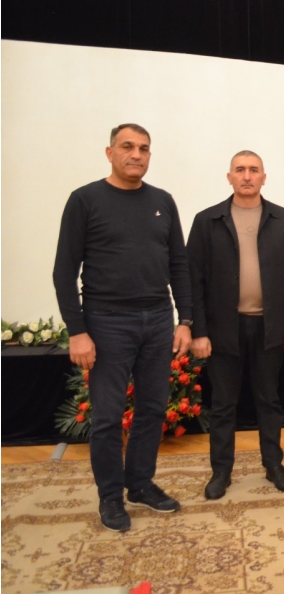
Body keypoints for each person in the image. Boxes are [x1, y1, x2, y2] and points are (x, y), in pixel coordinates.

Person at [52, 124, 191, 532]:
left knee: (152, 409)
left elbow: (178, 265)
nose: (136, 154)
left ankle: (140, 485)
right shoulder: (85, 200)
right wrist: (77, 331)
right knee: (109, 417)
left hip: (158, 320)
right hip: (107, 322)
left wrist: (185, 320)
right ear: (109, 152)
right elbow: (64, 272)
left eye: (144, 148)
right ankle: (110, 497)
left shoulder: (162, 201)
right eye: (127, 146)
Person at [187, 151, 284, 499]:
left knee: (269, 401)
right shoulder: (207, 220)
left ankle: (274, 465)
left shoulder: (283, 219)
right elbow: (193, 280)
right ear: (229, 177)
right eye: (240, 170)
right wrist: (198, 331)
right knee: (224, 404)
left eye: (254, 170)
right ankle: (221, 472)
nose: (247, 176)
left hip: (270, 329)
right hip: (223, 331)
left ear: (263, 178)